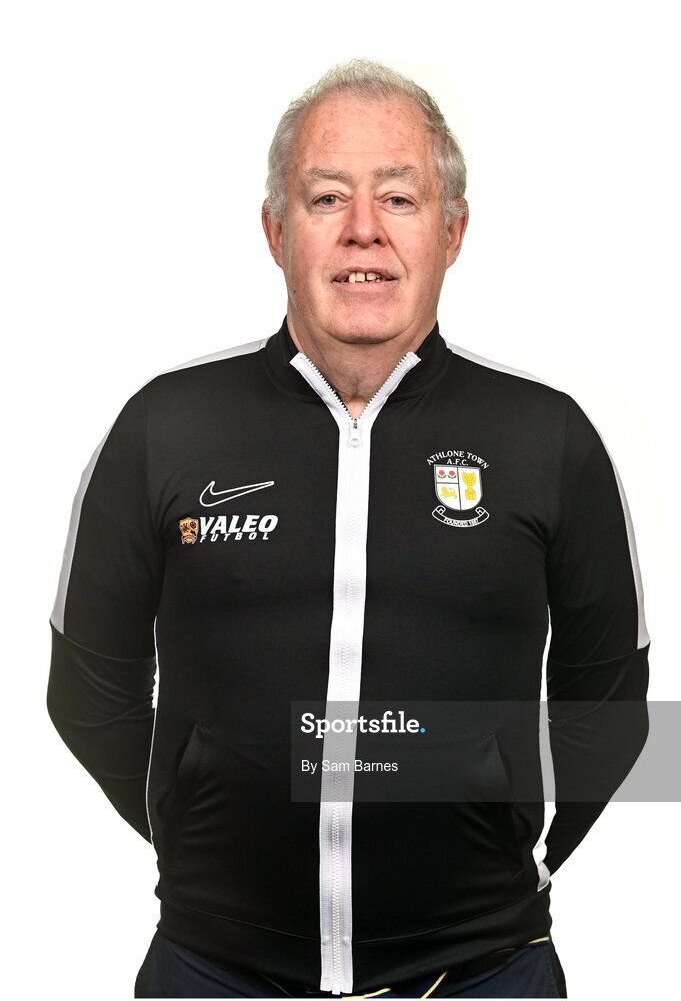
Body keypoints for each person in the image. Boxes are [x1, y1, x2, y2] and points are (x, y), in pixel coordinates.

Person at [47, 59, 649, 999]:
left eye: (399, 198)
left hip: (485, 973)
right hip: (211, 972)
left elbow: (607, 698)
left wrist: (510, 839)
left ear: (451, 231)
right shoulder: (167, 426)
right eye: (326, 196)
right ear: (274, 229)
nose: (363, 230)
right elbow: (88, 687)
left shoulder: (546, 437)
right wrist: (201, 823)